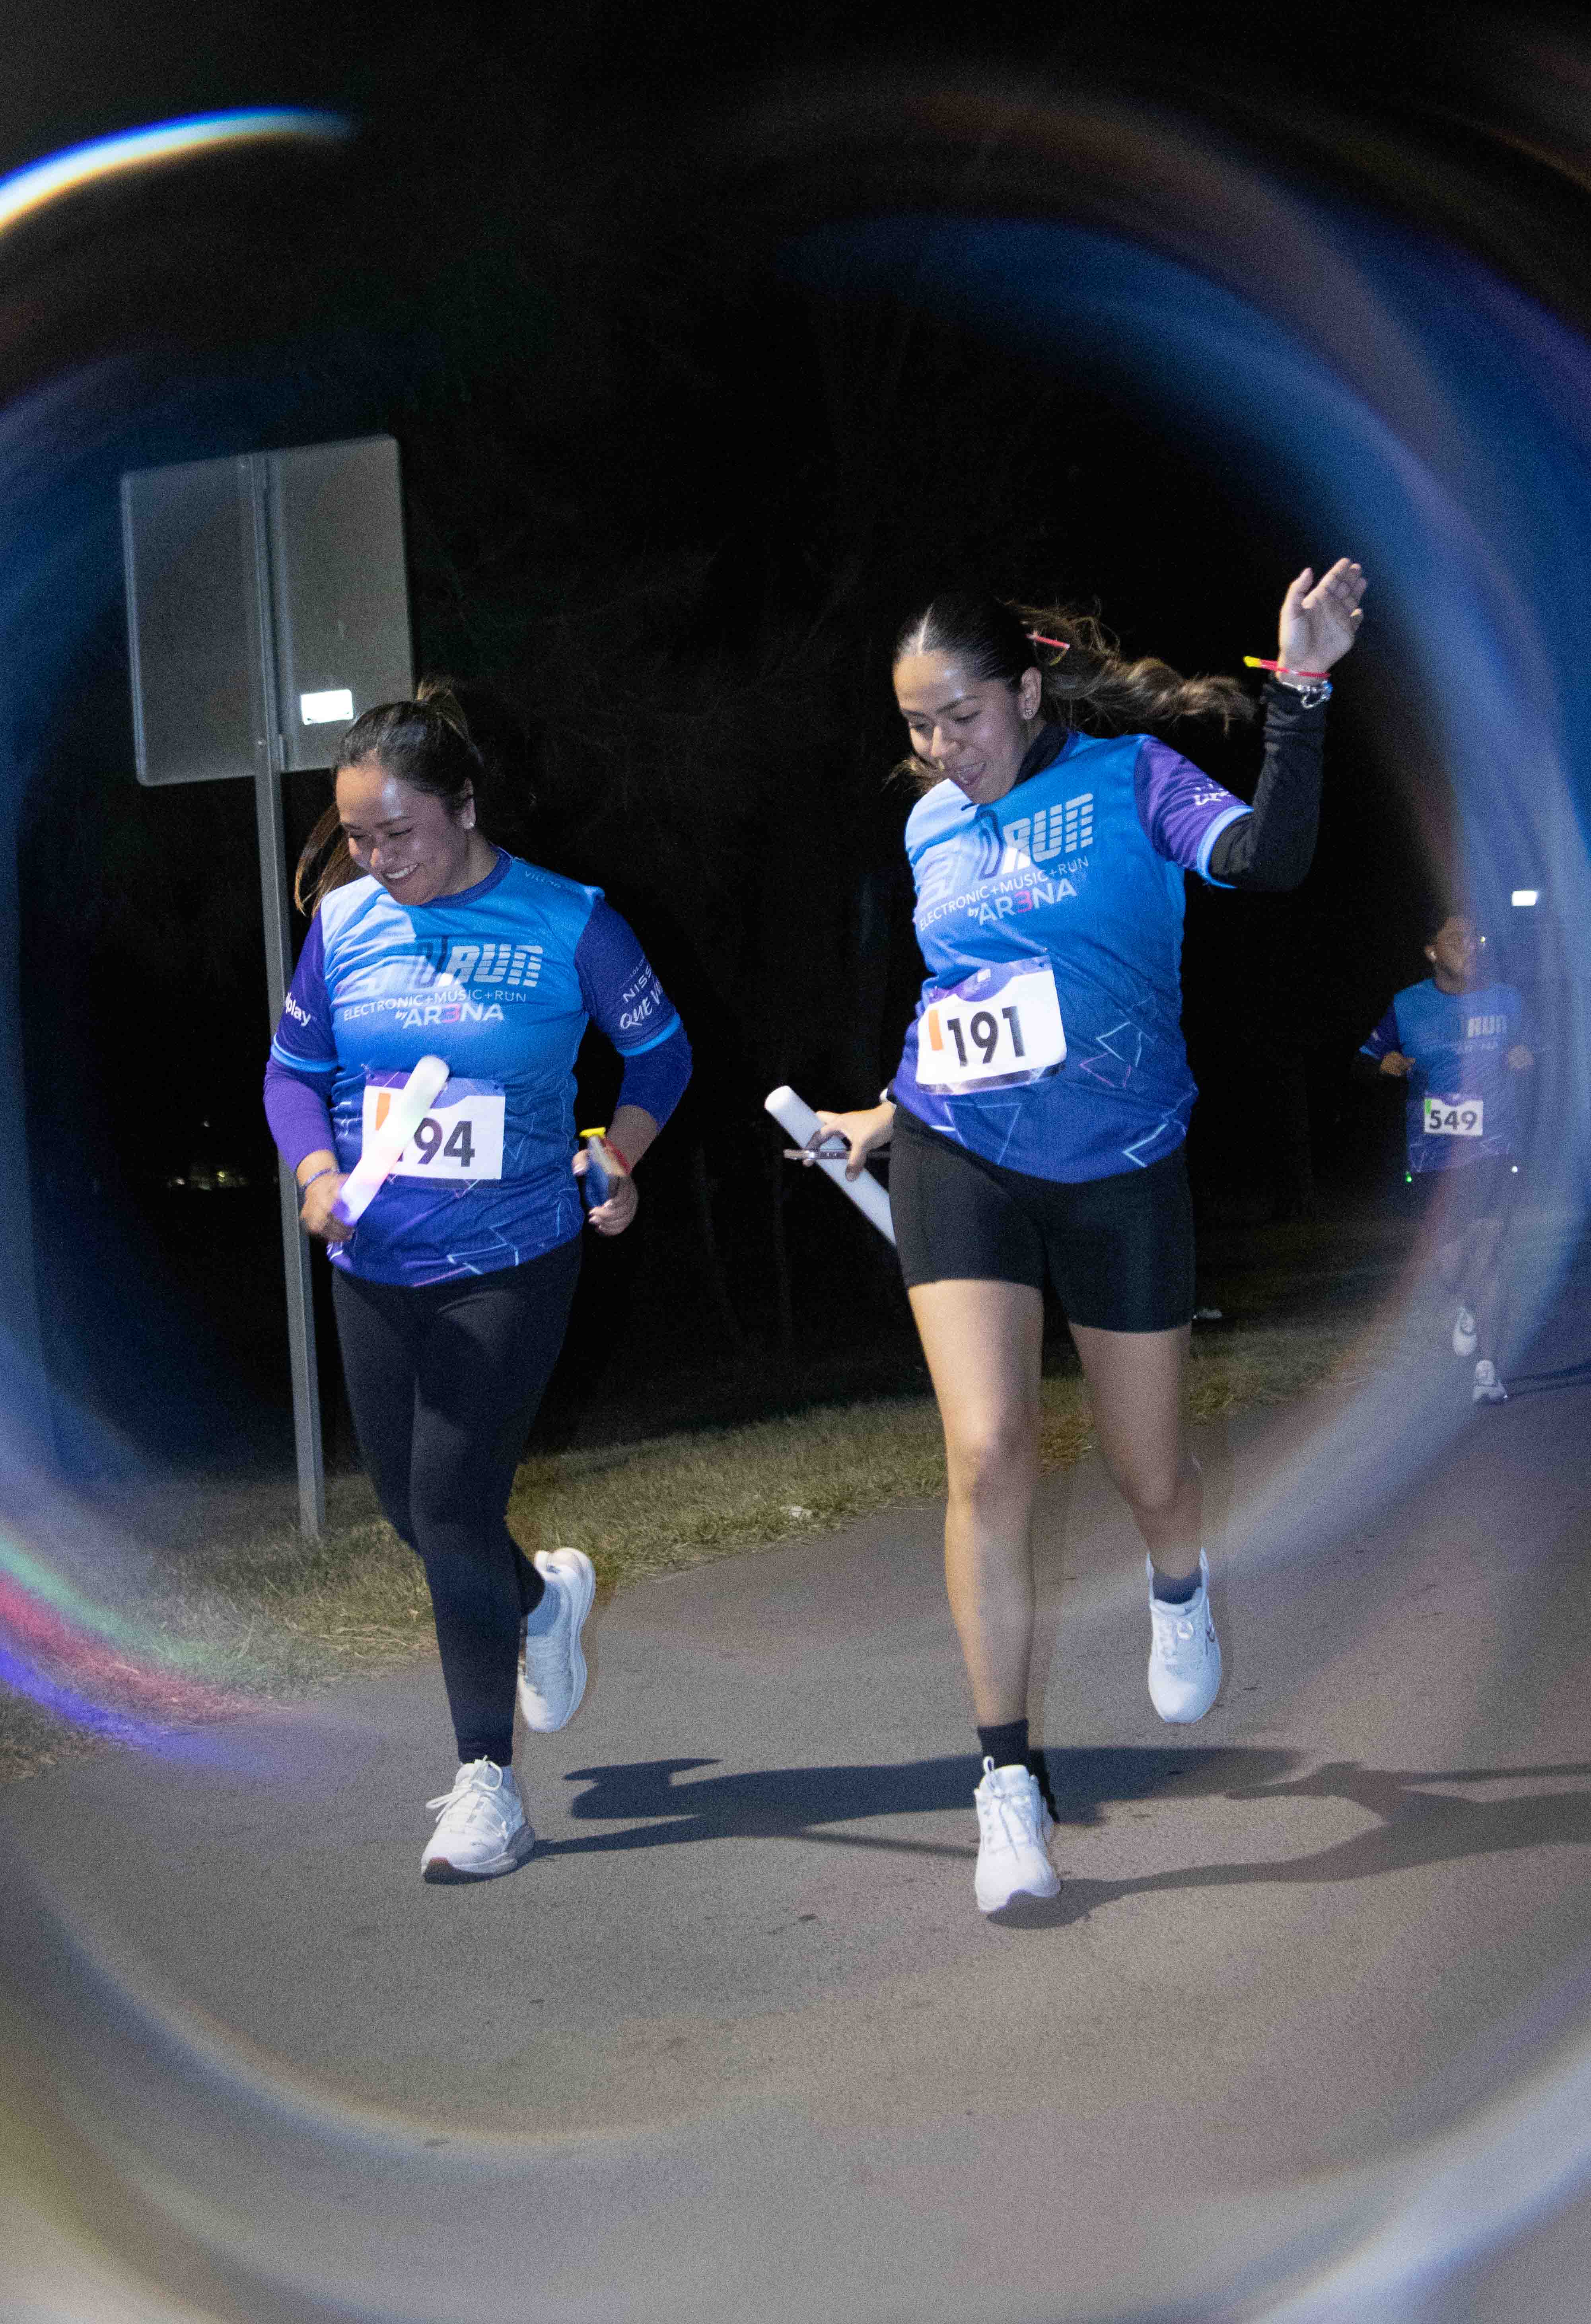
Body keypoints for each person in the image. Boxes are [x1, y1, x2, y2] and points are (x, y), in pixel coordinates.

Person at [809, 562, 1366, 1917]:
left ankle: (1180, 1584)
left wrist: (1300, 687)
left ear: (1025, 690)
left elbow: (1273, 859)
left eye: (961, 718)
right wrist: (886, 1114)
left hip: (1121, 1165)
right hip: (962, 1154)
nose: (941, 750)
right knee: (989, 1452)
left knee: (1150, 1472)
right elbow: (964, 995)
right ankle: (1006, 1785)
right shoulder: (930, 825)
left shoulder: (1134, 780)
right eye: (917, 726)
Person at [263, 682, 690, 1883]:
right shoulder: (344, 924)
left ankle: (487, 1785)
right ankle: (540, 1605)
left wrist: (616, 1152)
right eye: (357, 836)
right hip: (373, 1261)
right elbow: (292, 1074)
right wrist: (317, 1172)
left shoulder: (569, 922)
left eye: (396, 831)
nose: (375, 857)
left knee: (451, 1499)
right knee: (412, 1511)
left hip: (512, 1256)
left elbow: (661, 1053)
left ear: (462, 805)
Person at [1356, 912, 1531, 1402]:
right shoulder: (1407, 1005)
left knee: (1489, 1253)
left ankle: (1487, 1372)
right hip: (1433, 1153)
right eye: (1456, 938)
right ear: (1432, 952)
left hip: (1495, 1145)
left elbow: (1534, 1048)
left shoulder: (1507, 999)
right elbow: (1363, 1061)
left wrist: (1525, 1056)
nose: (1471, 945)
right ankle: (1467, 1304)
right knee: (1450, 1267)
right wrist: (1383, 1066)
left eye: (1476, 937)